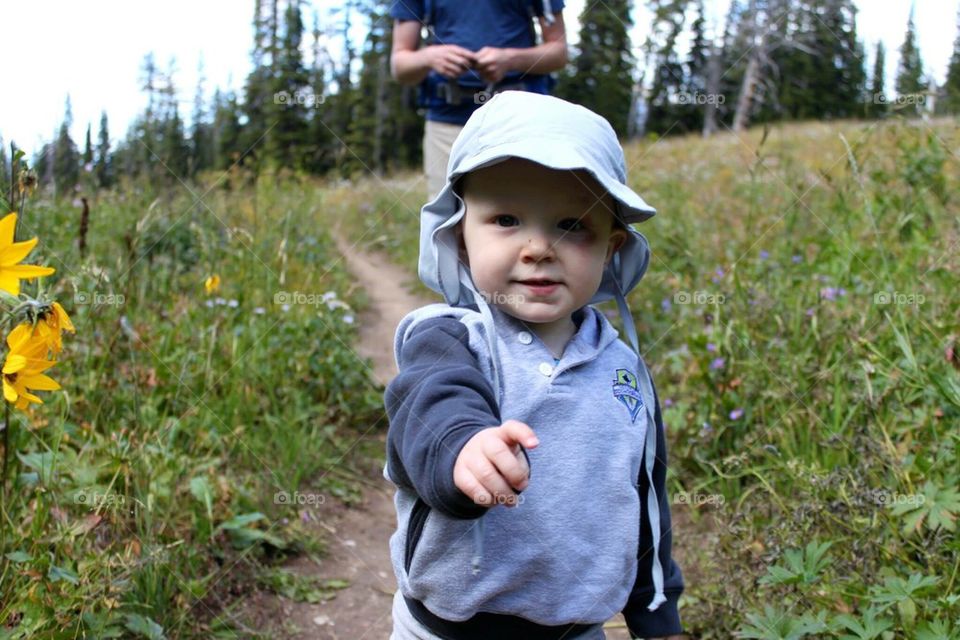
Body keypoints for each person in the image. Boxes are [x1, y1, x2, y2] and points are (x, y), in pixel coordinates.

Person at [382, 91, 685, 640]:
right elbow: (428, 406)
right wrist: (462, 447)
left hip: (578, 628)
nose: (539, 247)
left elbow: (643, 497)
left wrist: (654, 611)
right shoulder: (450, 336)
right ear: (459, 239)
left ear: (611, 249)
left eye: (573, 225)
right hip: (450, 629)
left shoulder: (624, 371)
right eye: (506, 219)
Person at [389, 0, 568, 199]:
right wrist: (429, 57)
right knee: (447, 220)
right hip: (446, 124)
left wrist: (510, 59)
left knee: (525, 210)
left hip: (520, 119)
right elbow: (400, 66)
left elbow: (558, 52)